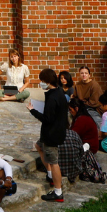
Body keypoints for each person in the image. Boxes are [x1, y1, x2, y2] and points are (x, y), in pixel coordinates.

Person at [33, 67, 69, 203]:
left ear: (47, 81)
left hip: (52, 134)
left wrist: (32, 110)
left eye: (42, 81)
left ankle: (58, 192)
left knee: (54, 163)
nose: (41, 83)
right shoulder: (59, 92)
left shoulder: (53, 97)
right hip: (55, 131)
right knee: (38, 146)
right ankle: (50, 175)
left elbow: (47, 119)